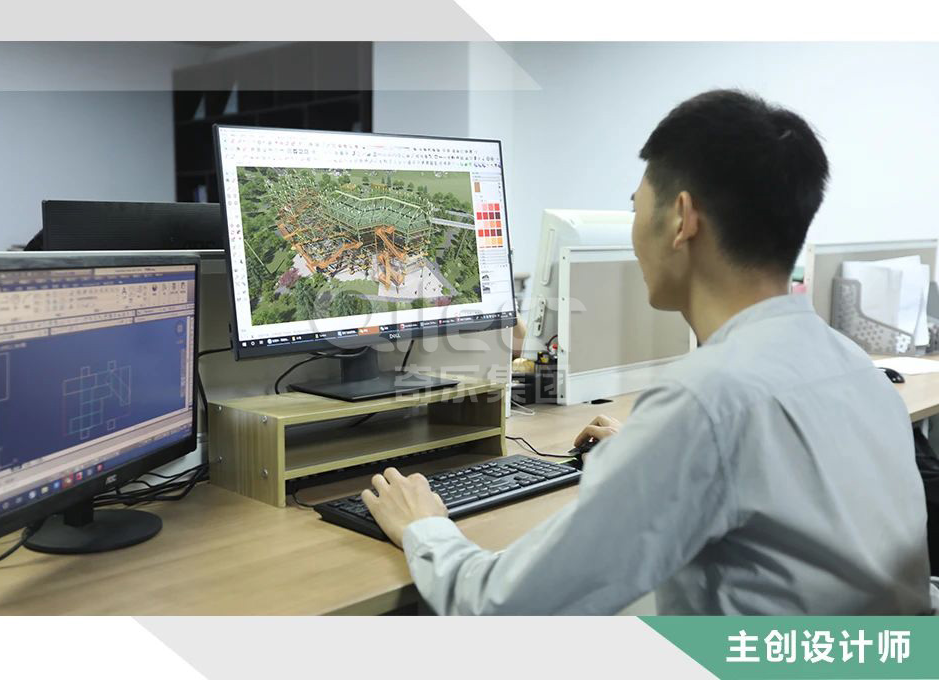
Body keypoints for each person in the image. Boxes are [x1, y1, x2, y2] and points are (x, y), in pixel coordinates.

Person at [361, 89, 932, 615]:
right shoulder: (851, 366)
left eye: (636, 207)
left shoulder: (705, 401)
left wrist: (422, 526)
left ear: (681, 219)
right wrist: (649, 456)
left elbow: (500, 608)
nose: (634, 231)